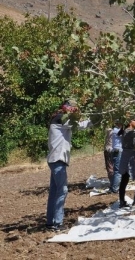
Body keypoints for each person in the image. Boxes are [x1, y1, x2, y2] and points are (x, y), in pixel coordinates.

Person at [46, 99, 92, 231]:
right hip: (58, 159)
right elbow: (80, 126)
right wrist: (96, 119)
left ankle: (50, 222)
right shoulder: (61, 118)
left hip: (54, 159)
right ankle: (58, 223)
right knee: (62, 190)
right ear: (68, 108)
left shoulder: (57, 117)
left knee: (55, 191)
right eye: (74, 108)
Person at [109, 119, 123, 193]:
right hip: (118, 152)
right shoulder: (117, 130)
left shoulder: (114, 130)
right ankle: (115, 188)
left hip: (115, 151)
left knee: (116, 170)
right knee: (118, 171)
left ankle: (113, 186)